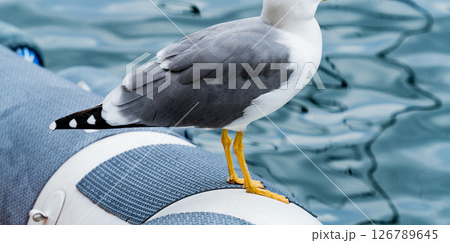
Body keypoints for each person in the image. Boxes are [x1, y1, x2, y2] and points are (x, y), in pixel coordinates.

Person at [0, 22, 319, 225]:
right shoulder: (287, 55)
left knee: (232, 132)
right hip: (159, 102)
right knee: (235, 134)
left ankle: (238, 176)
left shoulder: (260, 34)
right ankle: (243, 180)